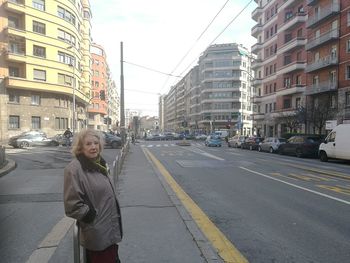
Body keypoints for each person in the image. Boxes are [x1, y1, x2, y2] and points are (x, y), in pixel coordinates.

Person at [64, 129, 123, 263]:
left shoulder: (100, 163)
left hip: (110, 228)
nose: (93, 147)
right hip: (97, 233)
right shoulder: (74, 169)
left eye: (96, 143)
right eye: (88, 144)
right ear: (80, 147)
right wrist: (92, 218)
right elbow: (72, 206)